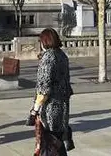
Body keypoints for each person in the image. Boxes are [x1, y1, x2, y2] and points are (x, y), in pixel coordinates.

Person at [28, 28, 73, 156]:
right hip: (63, 106)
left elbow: (44, 88)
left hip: (50, 108)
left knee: (49, 144)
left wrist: (34, 110)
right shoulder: (62, 55)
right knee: (57, 142)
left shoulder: (48, 57)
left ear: (45, 41)